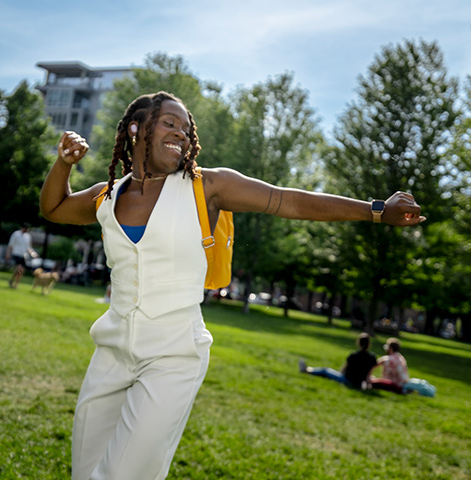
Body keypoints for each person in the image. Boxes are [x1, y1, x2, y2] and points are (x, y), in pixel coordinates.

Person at [39, 91, 425, 480]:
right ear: (136, 128)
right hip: (111, 352)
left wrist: (375, 211)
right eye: (169, 123)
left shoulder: (206, 187)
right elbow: (54, 207)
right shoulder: (108, 195)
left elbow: (288, 201)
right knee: (84, 469)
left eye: (186, 129)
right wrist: (64, 163)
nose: (182, 135)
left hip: (174, 356)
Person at [299, 332, 377, 389]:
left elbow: (342, 370)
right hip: (359, 383)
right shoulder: (372, 357)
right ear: (369, 344)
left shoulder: (353, 355)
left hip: (347, 380)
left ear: (358, 343)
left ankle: (307, 370)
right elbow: (368, 374)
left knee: (326, 370)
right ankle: (307, 370)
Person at [5, 223, 38, 288]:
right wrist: (7, 254)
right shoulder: (16, 234)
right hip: (16, 253)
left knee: (21, 271)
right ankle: (15, 285)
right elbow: (10, 245)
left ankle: (13, 281)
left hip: (24, 255)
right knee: (19, 269)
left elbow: (29, 247)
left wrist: (33, 253)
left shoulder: (28, 236)